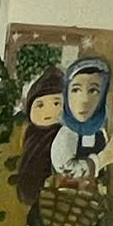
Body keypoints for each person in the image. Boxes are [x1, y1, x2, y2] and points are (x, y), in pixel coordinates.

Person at [50, 56, 113, 179]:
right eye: (76, 90)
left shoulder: (101, 130)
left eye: (93, 91)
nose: (84, 100)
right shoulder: (67, 135)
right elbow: (66, 172)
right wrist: (104, 158)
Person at [13, 67, 66, 214]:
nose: (47, 111)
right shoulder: (30, 132)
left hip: (54, 196)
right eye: (40, 105)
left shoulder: (63, 134)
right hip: (28, 191)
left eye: (56, 104)